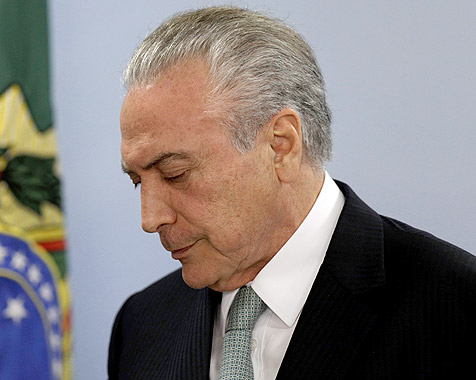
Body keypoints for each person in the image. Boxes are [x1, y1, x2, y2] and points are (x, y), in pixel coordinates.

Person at [108, 6, 476, 380]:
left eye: (175, 174)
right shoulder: (141, 325)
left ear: (280, 146)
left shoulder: (456, 309)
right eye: (138, 181)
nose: (150, 219)